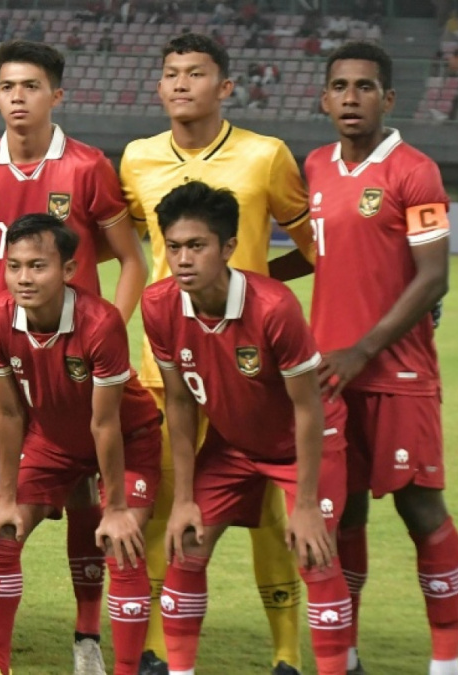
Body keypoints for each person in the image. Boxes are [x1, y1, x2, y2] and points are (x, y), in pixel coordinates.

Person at [0, 40, 149, 674]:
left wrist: (105, 333)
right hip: (1, 356)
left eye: (31, 86)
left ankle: (88, 635)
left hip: (76, 359)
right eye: (7, 87)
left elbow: (132, 260)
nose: (18, 98)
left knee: (89, 494)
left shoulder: (87, 167)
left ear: (56, 95)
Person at [119, 32, 315, 675]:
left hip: (250, 370)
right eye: (171, 72)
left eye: (196, 73)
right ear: (159, 85)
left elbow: (317, 247)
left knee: (269, 517)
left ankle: (286, 654)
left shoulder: (266, 156)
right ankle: (154, 649)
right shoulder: (138, 159)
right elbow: (127, 243)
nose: (181, 83)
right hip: (166, 365)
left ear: (224, 86)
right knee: (163, 510)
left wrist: (257, 286)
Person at [141, 181, 353, 675]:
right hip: (232, 444)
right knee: (187, 544)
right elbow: (180, 402)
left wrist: (305, 504)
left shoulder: (273, 307)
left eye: (197, 245)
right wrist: (185, 498)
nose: (183, 260)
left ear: (228, 247)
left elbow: (308, 407)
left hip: (303, 444)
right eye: (174, 247)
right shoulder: (158, 305)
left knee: (315, 553)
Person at [308, 41, 458, 675]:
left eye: (365, 87)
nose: (351, 97)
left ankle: (445, 662)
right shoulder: (314, 166)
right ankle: (346, 655)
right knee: (341, 514)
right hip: (328, 376)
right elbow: (322, 255)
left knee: (420, 508)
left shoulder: (415, 171)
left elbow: (434, 277)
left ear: (388, 99)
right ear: (324, 99)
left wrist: (363, 347)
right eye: (340, 86)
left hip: (398, 372)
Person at [0, 215, 161, 675]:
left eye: (38, 266)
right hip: (52, 440)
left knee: (121, 542)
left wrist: (117, 508)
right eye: (14, 266)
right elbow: (9, 413)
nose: (24, 278)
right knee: (2, 533)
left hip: (127, 440)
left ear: (69, 269)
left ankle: (110, 658)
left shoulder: (100, 322)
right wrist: (5, 495)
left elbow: (105, 422)